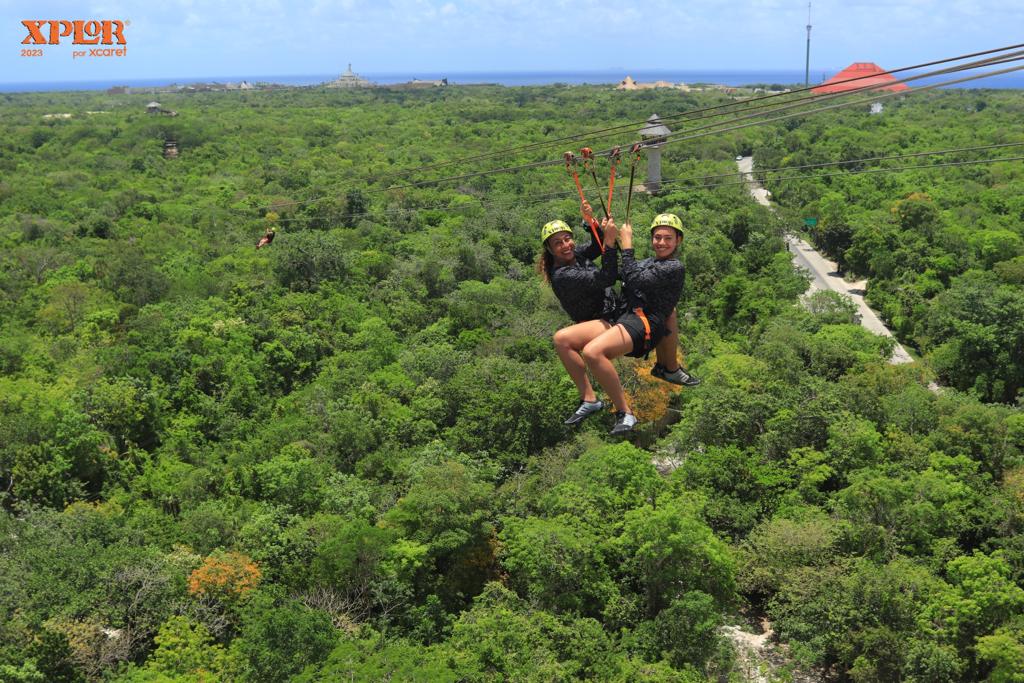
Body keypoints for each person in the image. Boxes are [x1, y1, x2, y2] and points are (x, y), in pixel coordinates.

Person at [580, 213, 696, 435]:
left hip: (644, 324)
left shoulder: (674, 267)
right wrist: (609, 242)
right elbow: (616, 274)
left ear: (678, 241)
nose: (661, 242)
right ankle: (667, 369)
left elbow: (636, 280)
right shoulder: (647, 263)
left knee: (593, 353)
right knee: (564, 338)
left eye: (667, 238)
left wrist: (627, 245)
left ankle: (625, 413)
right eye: (657, 237)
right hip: (624, 315)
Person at [540, 201, 620, 426]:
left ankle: (589, 399)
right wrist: (611, 243)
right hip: (601, 320)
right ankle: (588, 396)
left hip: (611, 312)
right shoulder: (563, 274)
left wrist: (590, 221)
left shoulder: (575, 255)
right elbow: (606, 278)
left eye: (567, 239)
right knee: (561, 339)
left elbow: (596, 245)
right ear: (549, 249)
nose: (566, 245)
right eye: (558, 243)